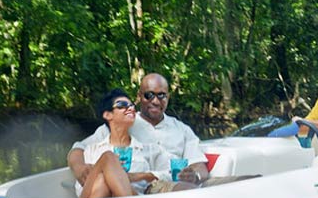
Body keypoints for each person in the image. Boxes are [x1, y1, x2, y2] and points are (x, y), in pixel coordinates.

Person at [68, 73, 211, 189]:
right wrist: (80, 168)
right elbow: (78, 148)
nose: (155, 101)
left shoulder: (182, 129)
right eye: (149, 95)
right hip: (148, 188)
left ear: (168, 97)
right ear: (139, 96)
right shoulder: (124, 122)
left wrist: (195, 176)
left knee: (230, 182)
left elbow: (199, 165)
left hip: (183, 183)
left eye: (161, 95)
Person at [74, 89, 177, 198]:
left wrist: (143, 176)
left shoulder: (147, 149)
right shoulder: (92, 150)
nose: (131, 108)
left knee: (107, 165)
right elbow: (81, 191)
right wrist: (108, 172)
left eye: (132, 105)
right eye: (122, 105)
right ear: (108, 115)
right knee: (107, 161)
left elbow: (174, 171)